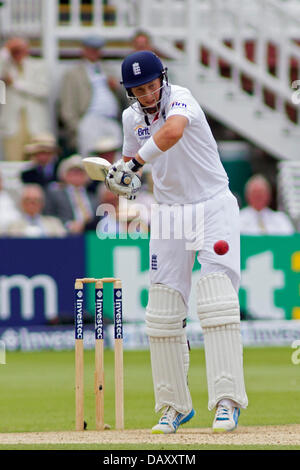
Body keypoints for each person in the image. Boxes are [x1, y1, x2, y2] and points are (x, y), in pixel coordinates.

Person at [100, 51, 248, 433]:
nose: (147, 95)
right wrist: (123, 181)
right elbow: (130, 163)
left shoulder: (182, 98)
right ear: (129, 91)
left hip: (212, 205)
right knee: (163, 311)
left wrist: (132, 166)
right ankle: (172, 405)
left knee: (216, 301)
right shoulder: (130, 118)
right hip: (168, 213)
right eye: (139, 90)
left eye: (151, 86)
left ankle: (227, 401)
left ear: (162, 79)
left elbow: (172, 133)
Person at [59, 35, 126, 156]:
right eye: (90, 49)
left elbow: (125, 97)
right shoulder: (73, 74)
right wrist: (77, 127)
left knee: (116, 158)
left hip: (111, 120)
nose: (94, 52)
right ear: (83, 50)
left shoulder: (108, 70)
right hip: (89, 119)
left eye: (97, 49)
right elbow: (67, 105)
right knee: (90, 158)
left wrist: (116, 87)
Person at [0, 37, 51, 161]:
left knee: (36, 162)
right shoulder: (5, 67)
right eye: (14, 51)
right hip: (12, 126)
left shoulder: (38, 66)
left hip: (35, 124)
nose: (17, 54)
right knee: (13, 161)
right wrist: (5, 50)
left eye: (20, 50)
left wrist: (15, 83)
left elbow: (43, 91)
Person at [45, 154, 97, 234]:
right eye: (73, 172)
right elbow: (49, 216)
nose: (76, 176)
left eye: (80, 173)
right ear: (64, 175)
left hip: (90, 235)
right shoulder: (55, 194)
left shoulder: (93, 197)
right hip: (65, 235)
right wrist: (69, 225)